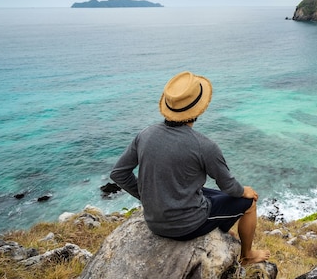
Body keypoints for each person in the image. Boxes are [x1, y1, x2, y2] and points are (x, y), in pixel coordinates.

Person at [110, 71, 270, 265]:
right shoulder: (204, 145)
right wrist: (244, 190)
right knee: (249, 202)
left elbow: (118, 173)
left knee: (212, 195)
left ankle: (221, 226)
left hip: (153, 221)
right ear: (198, 110)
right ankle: (247, 255)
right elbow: (229, 186)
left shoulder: (145, 135)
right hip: (187, 226)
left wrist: (146, 196)